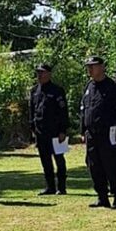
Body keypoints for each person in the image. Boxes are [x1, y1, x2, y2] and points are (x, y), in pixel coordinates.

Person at [80, 56, 116, 209]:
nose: (89, 69)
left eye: (92, 66)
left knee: (111, 165)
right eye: (88, 66)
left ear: (101, 67)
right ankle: (102, 197)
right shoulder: (89, 87)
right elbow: (84, 110)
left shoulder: (112, 88)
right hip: (91, 134)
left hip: (108, 134)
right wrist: (83, 131)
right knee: (94, 166)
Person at [29, 63, 69, 195]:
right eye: (38, 72)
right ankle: (50, 186)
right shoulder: (34, 91)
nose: (39, 75)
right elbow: (32, 111)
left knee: (59, 159)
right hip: (41, 132)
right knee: (45, 160)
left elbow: (63, 111)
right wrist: (32, 128)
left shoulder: (57, 90)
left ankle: (61, 187)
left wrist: (63, 130)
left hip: (55, 132)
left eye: (42, 72)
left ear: (49, 74)